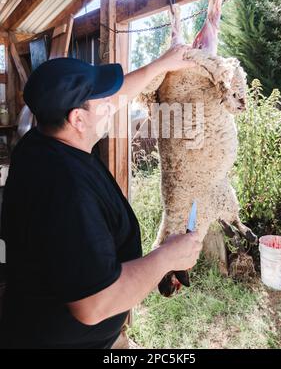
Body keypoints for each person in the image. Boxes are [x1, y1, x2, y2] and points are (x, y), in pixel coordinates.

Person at [0, 46, 201, 349]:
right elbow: (94, 305)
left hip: (46, 326)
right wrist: (167, 258)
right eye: (104, 101)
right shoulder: (67, 192)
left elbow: (114, 99)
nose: (113, 104)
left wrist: (162, 64)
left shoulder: (42, 140)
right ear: (78, 119)